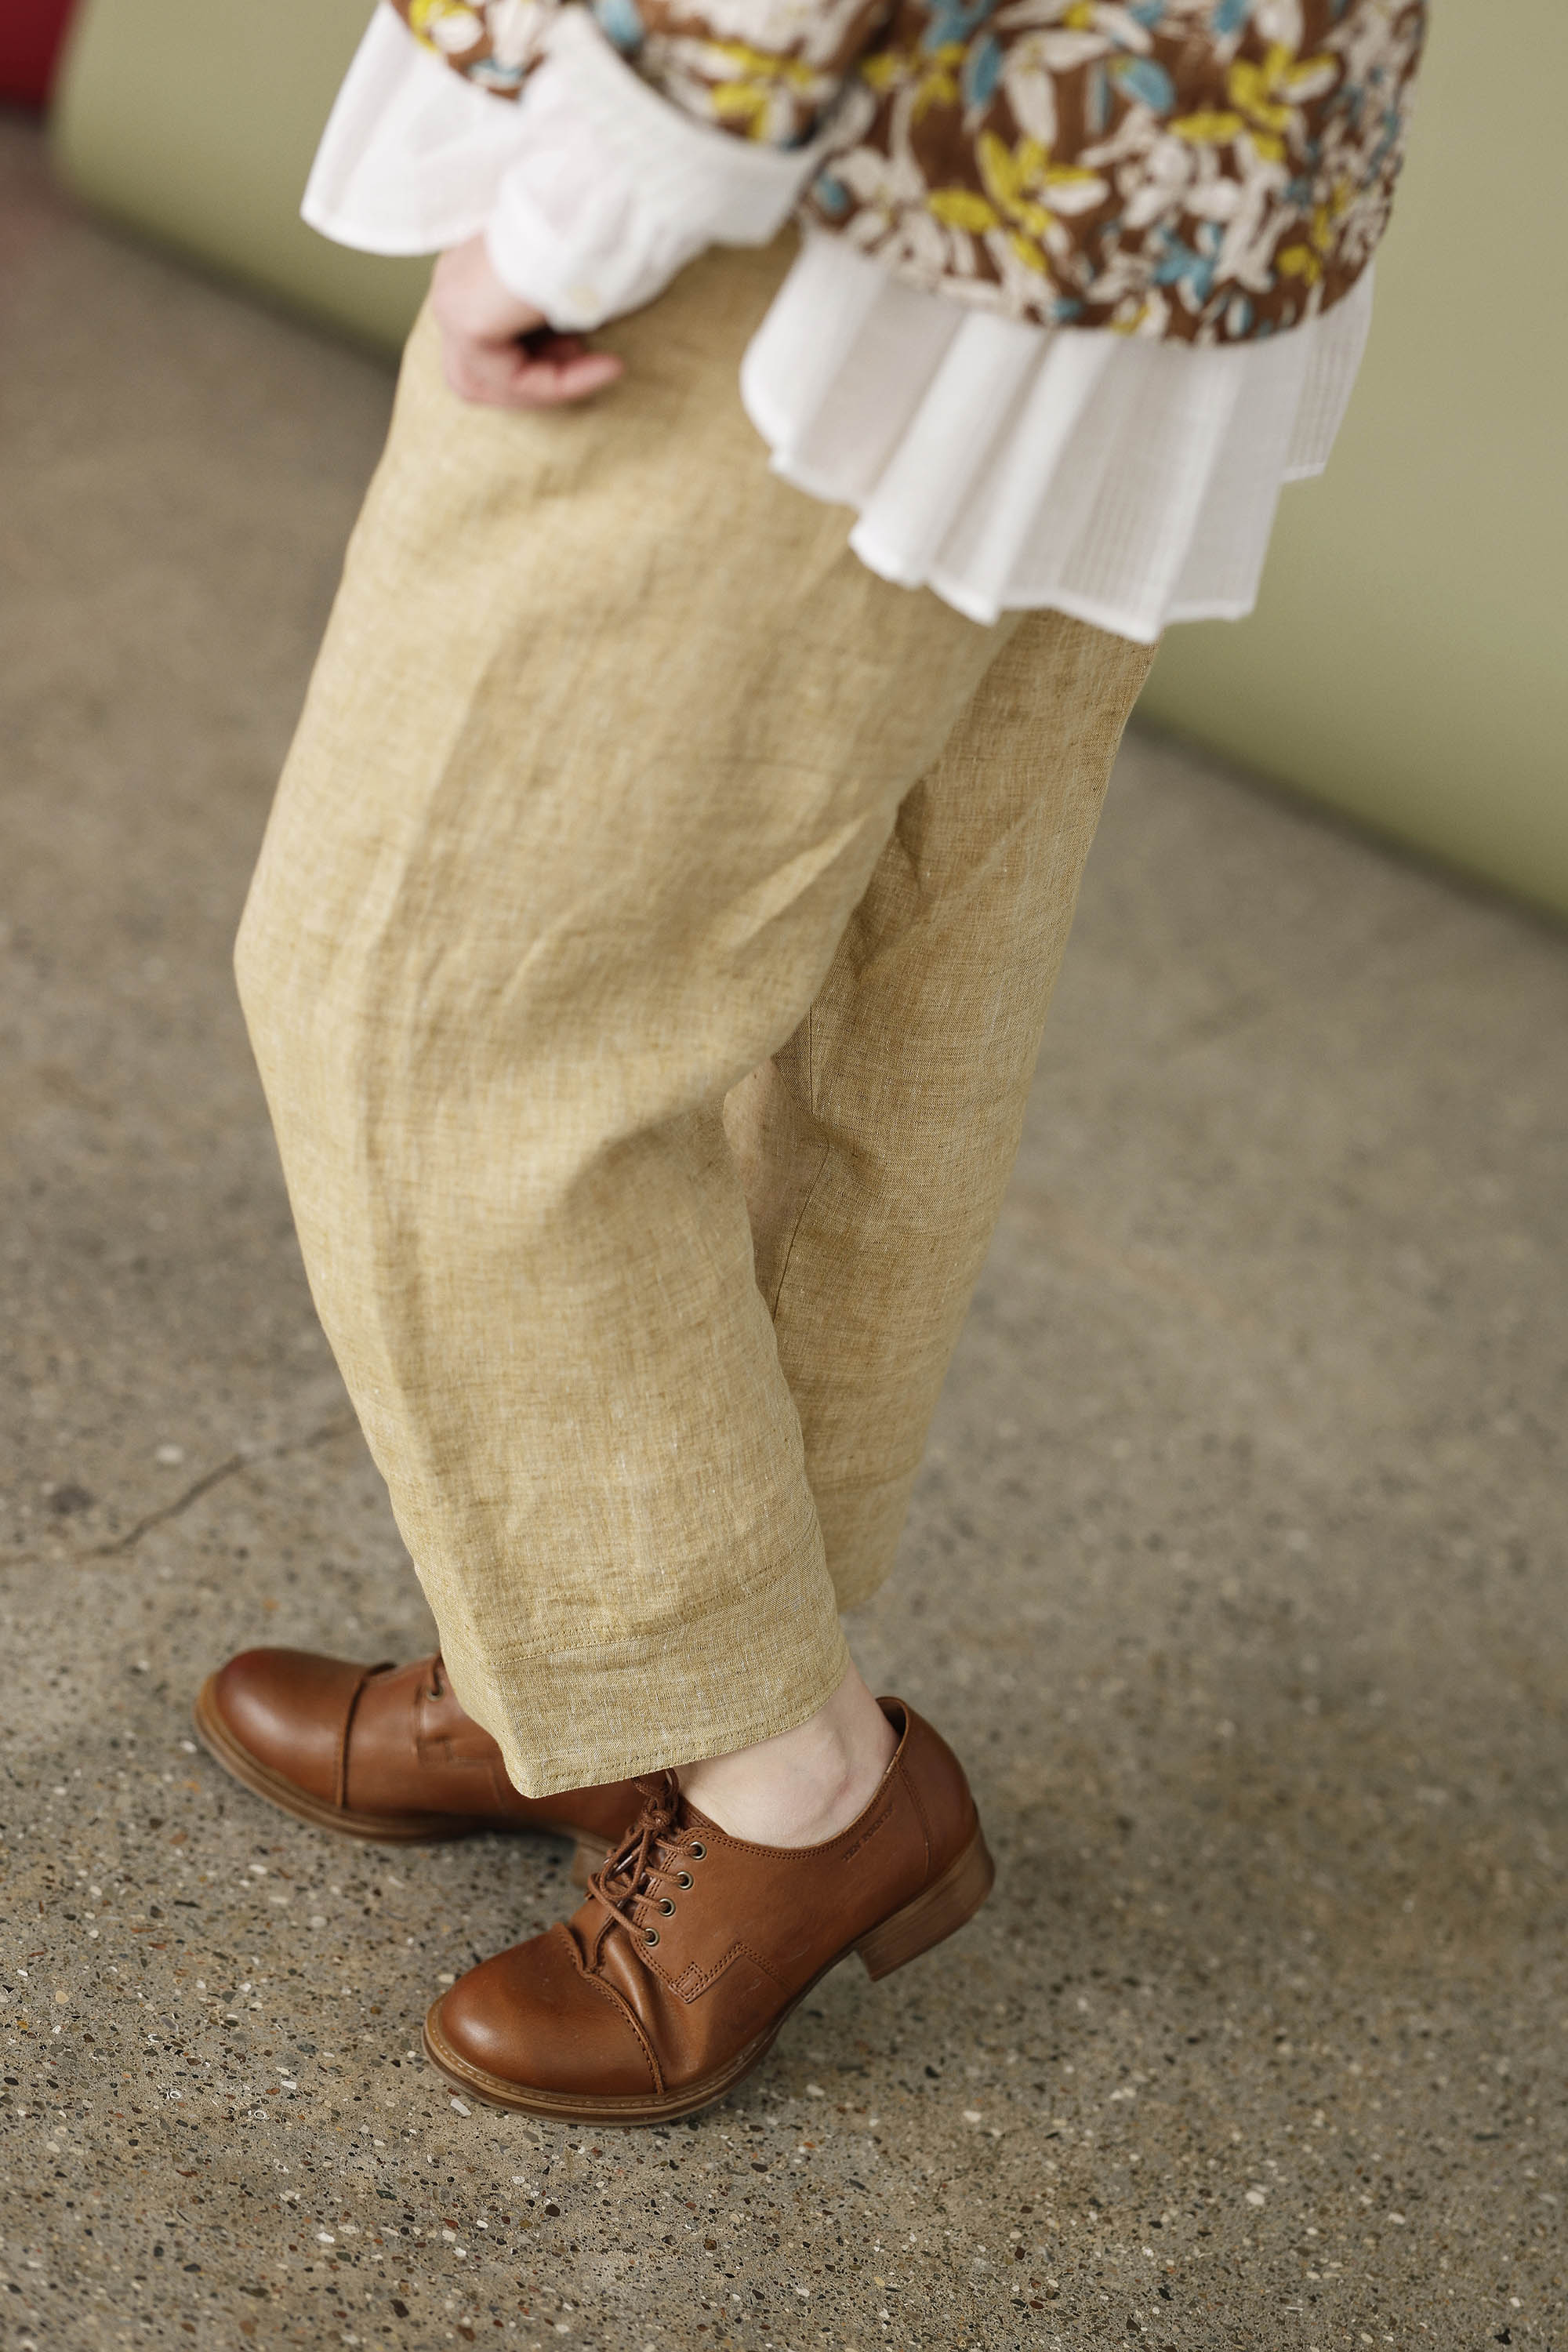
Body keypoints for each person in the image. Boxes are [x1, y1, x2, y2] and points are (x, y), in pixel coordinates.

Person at [197, 0, 1426, 2123]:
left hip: (823, 155)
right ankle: (625, 1681)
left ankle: (781, 1773)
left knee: (438, 1004)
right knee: (884, 977)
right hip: (1148, 159)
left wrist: (612, 183)